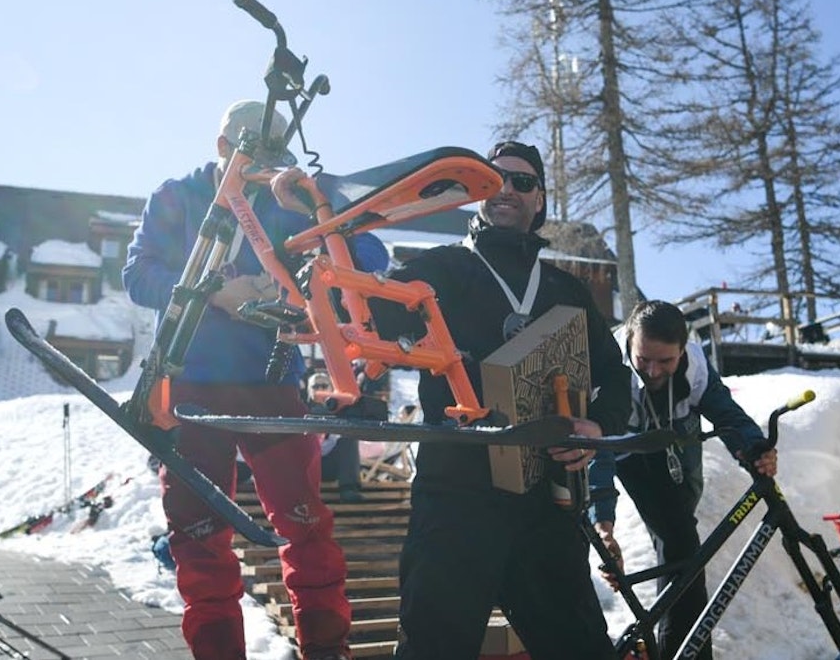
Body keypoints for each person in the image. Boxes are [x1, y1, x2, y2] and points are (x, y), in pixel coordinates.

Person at [122, 99, 387, 660]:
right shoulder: (177, 197)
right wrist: (215, 292)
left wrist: (319, 233)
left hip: (274, 387)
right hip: (188, 386)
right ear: (224, 147)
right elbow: (139, 274)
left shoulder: (287, 196)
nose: (266, 166)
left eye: (277, 153)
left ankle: (326, 650)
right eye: (255, 152)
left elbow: (368, 250)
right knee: (199, 539)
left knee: (306, 528)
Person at [362, 140, 632, 659]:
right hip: (455, 497)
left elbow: (615, 376)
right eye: (493, 179)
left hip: (547, 506)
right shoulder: (436, 270)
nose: (507, 188)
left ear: (540, 201)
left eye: (522, 181)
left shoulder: (567, 290)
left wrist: (598, 425)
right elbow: (371, 317)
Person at [589, 300, 778, 660]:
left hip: (674, 446)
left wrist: (755, 449)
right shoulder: (611, 368)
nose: (653, 370)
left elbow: (728, 416)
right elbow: (599, 452)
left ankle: (683, 651)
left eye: (666, 361)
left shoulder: (696, 369)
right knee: (586, 531)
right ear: (630, 341)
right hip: (621, 445)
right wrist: (604, 524)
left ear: (682, 350)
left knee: (682, 545)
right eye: (644, 359)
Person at [307, 371, 365, 503]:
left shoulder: (341, 409)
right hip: (306, 466)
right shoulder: (300, 409)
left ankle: (349, 489)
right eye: (315, 386)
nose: (320, 390)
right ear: (308, 390)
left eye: (324, 386)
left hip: (329, 465)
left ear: (331, 389)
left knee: (349, 439)